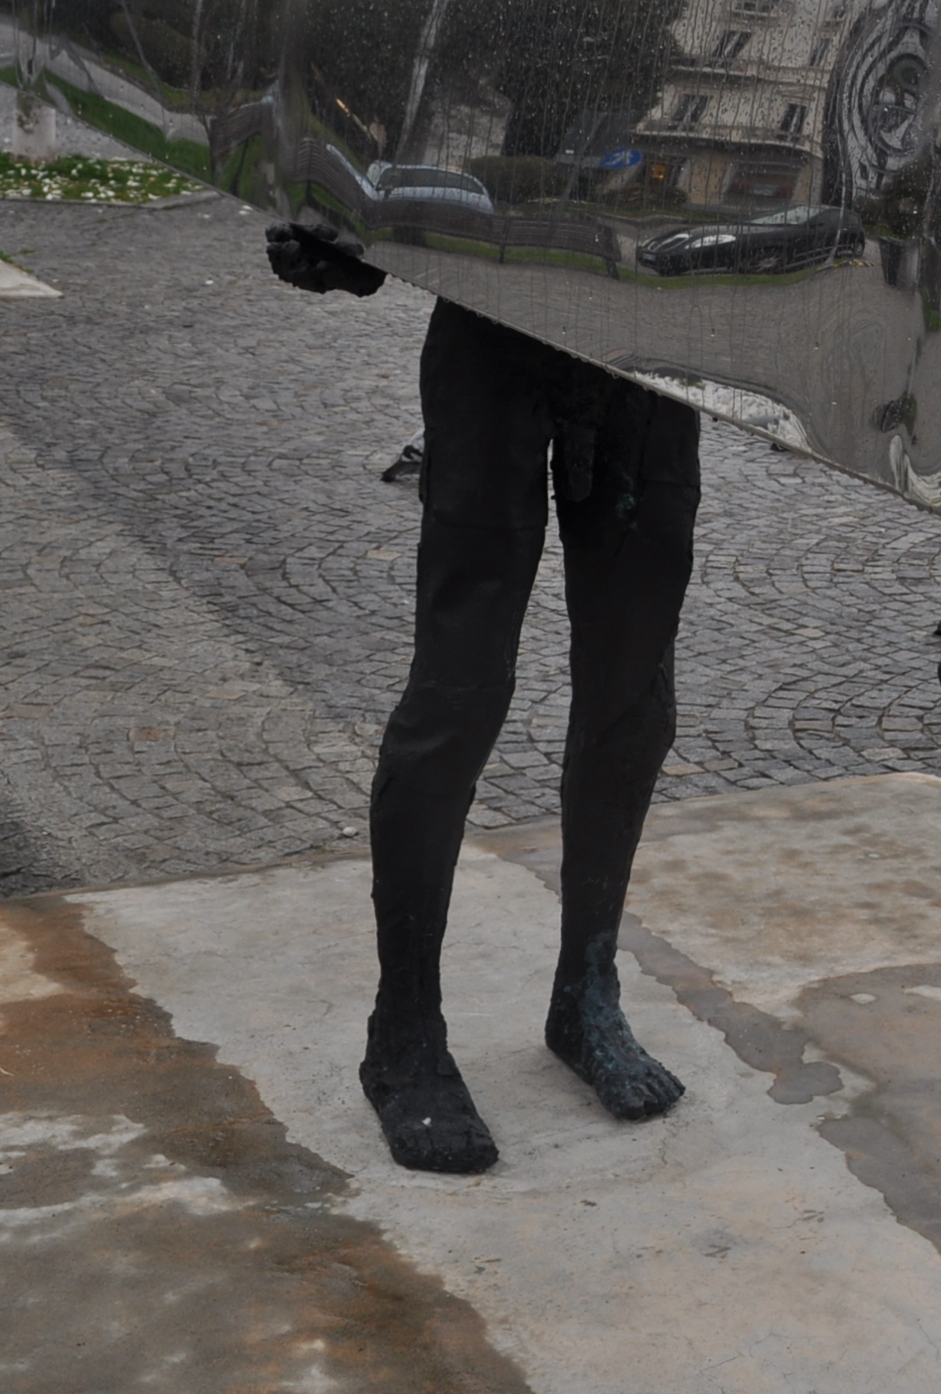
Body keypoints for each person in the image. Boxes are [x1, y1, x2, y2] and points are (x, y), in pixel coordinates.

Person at [267, 221, 696, 1173]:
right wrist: (346, 225)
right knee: (458, 694)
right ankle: (405, 1025)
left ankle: (587, 991)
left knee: (635, 695)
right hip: (499, 307)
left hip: (651, 333)